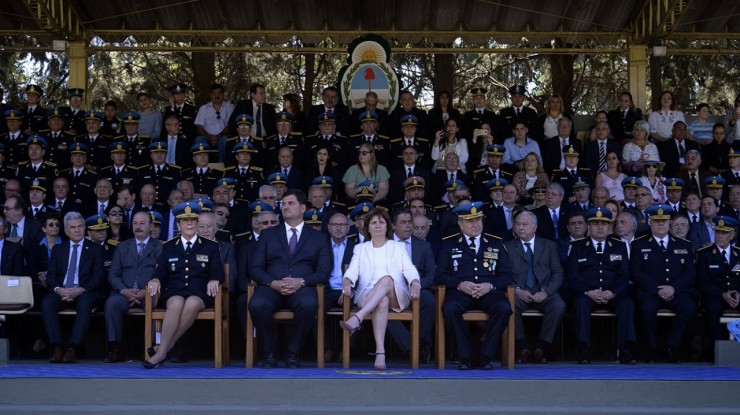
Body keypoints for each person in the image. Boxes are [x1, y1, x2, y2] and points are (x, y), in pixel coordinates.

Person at [248, 189, 332, 368]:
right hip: (272, 286)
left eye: (290, 203)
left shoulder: (319, 238)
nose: (285, 207)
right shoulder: (268, 235)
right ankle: (269, 350)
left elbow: (324, 272)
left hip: (302, 287)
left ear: (303, 208)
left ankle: (293, 351)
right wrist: (273, 283)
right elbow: (255, 268)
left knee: (309, 305)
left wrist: (300, 281)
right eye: (283, 204)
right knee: (256, 304)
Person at [143, 201, 224, 369]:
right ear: (178, 224)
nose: (189, 224)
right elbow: (161, 272)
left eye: (193, 220)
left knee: (192, 302)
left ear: (197, 223)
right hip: (175, 291)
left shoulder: (210, 246)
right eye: (185, 221)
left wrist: (214, 279)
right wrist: (156, 280)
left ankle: (162, 350)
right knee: (176, 303)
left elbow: (217, 272)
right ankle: (164, 350)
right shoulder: (168, 247)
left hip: (199, 292)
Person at [338, 208, 420, 370]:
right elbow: (352, 271)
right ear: (367, 227)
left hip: (396, 292)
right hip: (367, 294)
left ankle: (357, 319)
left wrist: (415, 283)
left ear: (388, 226)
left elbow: (410, 270)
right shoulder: (361, 249)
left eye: (381, 222)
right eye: (373, 223)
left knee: (387, 279)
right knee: (382, 300)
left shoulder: (397, 247)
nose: (377, 226)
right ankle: (380, 353)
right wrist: (347, 281)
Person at [435, 201, 512, 369]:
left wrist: (490, 286)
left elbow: (507, 275)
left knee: (504, 308)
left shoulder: (495, 242)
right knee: (450, 308)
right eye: (470, 221)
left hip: (490, 292)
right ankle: (466, 356)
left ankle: (486, 355)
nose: (475, 224)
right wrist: (459, 284)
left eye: (478, 220)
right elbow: (440, 275)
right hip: (460, 292)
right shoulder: (449, 243)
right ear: (460, 223)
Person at [566, 207, 637, 364]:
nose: (599, 227)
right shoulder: (578, 246)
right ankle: (584, 348)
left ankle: (625, 349)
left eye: (603, 224)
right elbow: (573, 275)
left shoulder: (619, 246)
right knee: (580, 303)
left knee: (627, 303)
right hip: (587, 294)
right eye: (595, 224)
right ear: (589, 227)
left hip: (612, 294)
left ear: (609, 227)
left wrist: (613, 292)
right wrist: (588, 291)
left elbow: (624, 275)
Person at [630, 204, 697, 363]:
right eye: (656, 220)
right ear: (649, 222)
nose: (660, 224)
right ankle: (652, 348)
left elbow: (690, 272)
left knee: (690, 308)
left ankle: (671, 347)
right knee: (646, 309)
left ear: (669, 223)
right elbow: (636, 272)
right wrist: (657, 289)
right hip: (650, 292)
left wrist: (674, 288)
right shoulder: (639, 244)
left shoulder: (684, 245)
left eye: (664, 221)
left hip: (675, 291)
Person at [41, 211, 106, 363]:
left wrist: (80, 289)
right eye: (73, 227)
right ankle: (56, 347)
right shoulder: (59, 249)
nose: (77, 230)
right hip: (62, 291)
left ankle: (73, 348)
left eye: (80, 226)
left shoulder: (96, 249)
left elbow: (99, 276)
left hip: (85, 292)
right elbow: (51, 276)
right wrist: (58, 289)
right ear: (66, 231)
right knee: (47, 302)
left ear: (85, 228)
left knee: (85, 302)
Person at [504, 210, 565, 364]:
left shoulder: (549, 245)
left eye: (525, 224)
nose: (520, 228)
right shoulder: (507, 247)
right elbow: (503, 274)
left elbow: (558, 273)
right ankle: (522, 347)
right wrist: (517, 290)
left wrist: (546, 292)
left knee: (558, 305)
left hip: (544, 292)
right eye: (517, 224)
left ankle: (541, 347)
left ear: (534, 227)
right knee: (508, 305)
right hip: (519, 292)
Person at [103, 211, 162, 363]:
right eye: (135, 223)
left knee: (155, 304)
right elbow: (113, 274)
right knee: (111, 304)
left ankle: (153, 348)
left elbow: (162, 274)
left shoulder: (160, 247)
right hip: (124, 292)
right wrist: (125, 291)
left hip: (149, 292)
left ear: (151, 226)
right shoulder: (122, 247)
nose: (138, 227)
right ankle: (115, 348)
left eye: (143, 223)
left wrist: (145, 291)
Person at [388, 208, 436, 363]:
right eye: (403, 222)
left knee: (429, 300)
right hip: (390, 290)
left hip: (417, 289)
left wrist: (417, 285)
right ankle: (411, 347)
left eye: (410, 222)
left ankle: (420, 344)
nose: (408, 226)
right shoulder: (384, 244)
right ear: (393, 226)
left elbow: (431, 275)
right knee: (379, 304)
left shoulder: (424, 246)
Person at [697, 215, 740, 344]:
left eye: (724, 232)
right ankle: (716, 348)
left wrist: (738, 292)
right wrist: (722, 294)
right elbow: (702, 282)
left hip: (737, 295)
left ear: (732, 235)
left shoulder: (739, 254)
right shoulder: (704, 254)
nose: (720, 236)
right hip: (714, 296)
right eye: (718, 232)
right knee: (713, 310)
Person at [194, 84, 234, 162]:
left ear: (223, 94)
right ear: (210, 95)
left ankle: (222, 166)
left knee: (225, 141)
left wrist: (220, 135)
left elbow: (231, 125)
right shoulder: (204, 108)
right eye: (214, 93)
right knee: (198, 140)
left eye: (219, 93)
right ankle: (202, 167)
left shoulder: (230, 107)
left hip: (223, 136)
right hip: (207, 137)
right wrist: (208, 136)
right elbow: (199, 128)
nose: (217, 95)